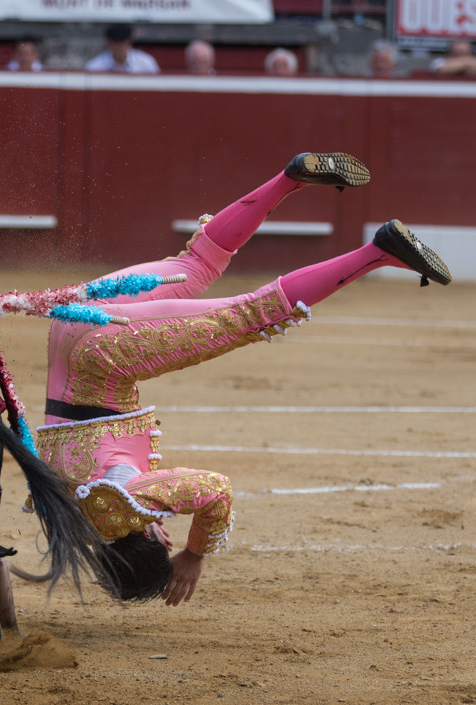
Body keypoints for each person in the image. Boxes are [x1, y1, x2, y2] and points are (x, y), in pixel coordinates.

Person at [35, 152, 451, 606]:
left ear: (157, 540)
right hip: (71, 325)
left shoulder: (128, 502)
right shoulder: (65, 515)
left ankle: (380, 252)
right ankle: (287, 179)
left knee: (252, 314)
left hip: (107, 355)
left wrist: (194, 555)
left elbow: (215, 491)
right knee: (196, 263)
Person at [86, 23, 159, 74]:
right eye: (115, 43)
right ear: (108, 44)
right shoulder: (95, 66)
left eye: (122, 43)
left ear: (130, 42)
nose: (119, 47)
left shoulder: (146, 63)